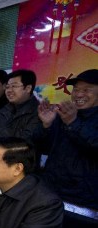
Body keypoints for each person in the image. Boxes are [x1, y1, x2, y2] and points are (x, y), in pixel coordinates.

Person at [36, 69, 98, 209]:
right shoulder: (65, 115)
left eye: (87, 90)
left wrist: (73, 123)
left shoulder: (70, 118)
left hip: (84, 200)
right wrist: (46, 125)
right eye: (75, 90)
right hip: (50, 193)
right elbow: (43, 147)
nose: (79, 94)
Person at [0, 70, 41, 144]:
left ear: (28, 88)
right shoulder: (5, 108)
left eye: (14, 86)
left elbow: (25, 141)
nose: (9, 90)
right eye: (7, 87)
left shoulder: (38, 112)